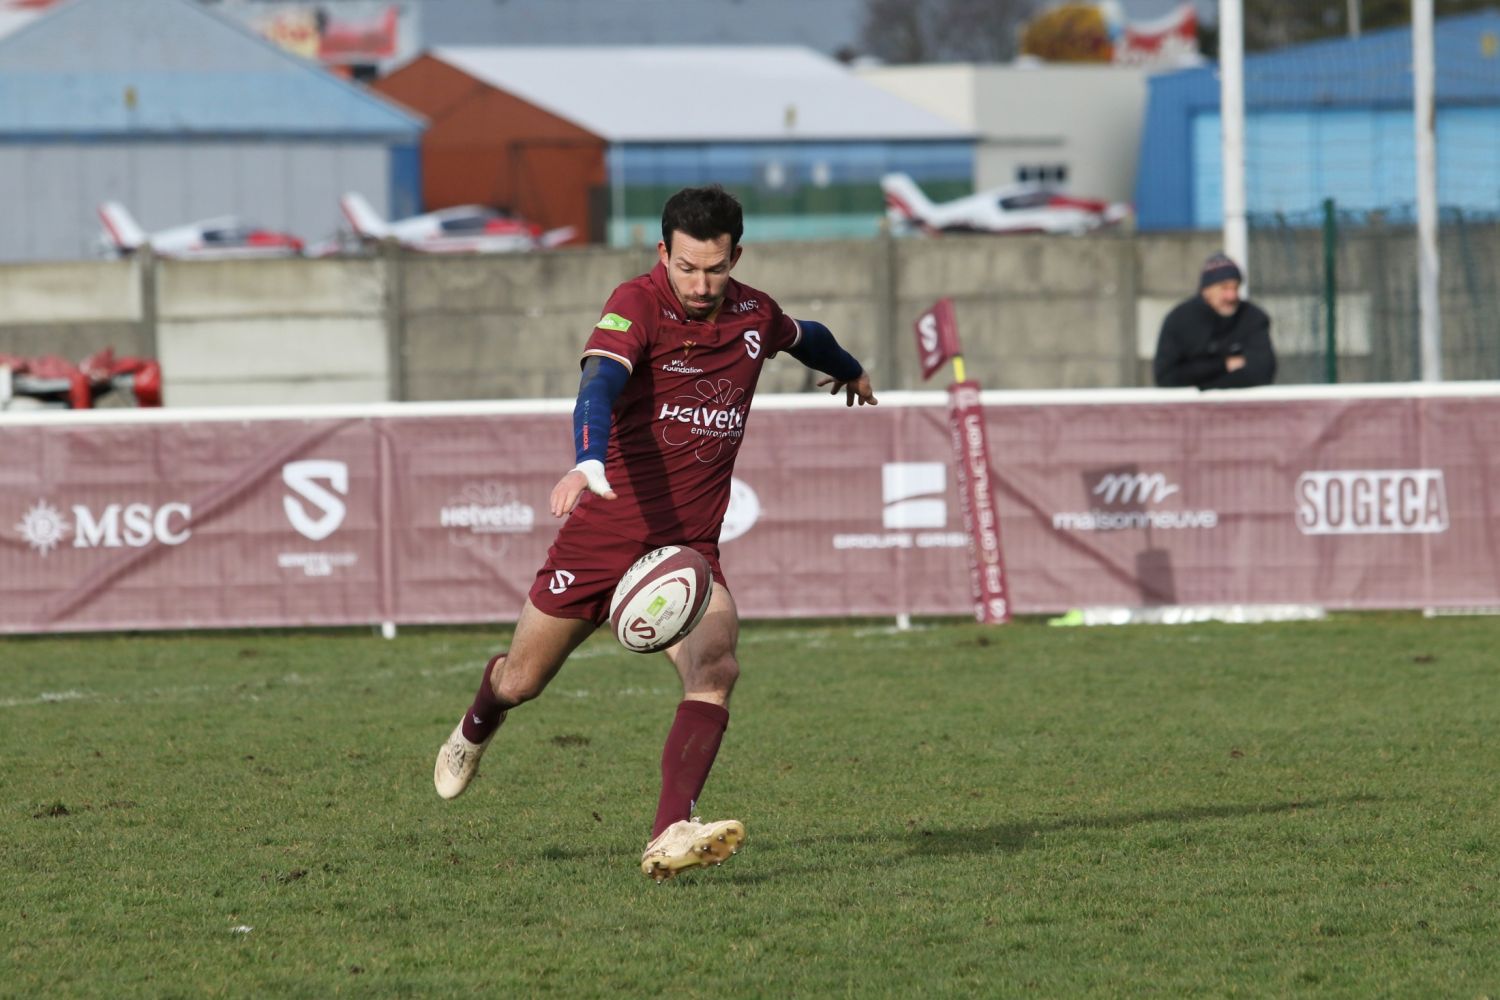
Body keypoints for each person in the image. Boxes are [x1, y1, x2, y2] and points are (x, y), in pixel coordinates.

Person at [433, 185, 878, 882]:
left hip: (688, 550)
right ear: (663, 253)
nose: (700, 285)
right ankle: (478, 722)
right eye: (688, 267)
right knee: (522, 681)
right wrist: (588, 458)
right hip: (603, 535)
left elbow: (806, 334)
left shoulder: (755, 314)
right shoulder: (636, 304)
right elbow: (598, 384)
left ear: (736, 258)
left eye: (716, 269)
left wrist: (849, 369)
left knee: (716, 670)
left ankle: (669, 832)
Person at [1153, 252, 1277, 390]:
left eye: (1235, 287)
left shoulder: (1253, 317)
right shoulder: (1179, 320)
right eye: (1224, 288)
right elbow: (1166, 377)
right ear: (1206, 290)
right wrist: (1224, 365)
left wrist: (1203, 385)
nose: (1231, 296)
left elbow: (1262, 373)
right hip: (1190, 404)